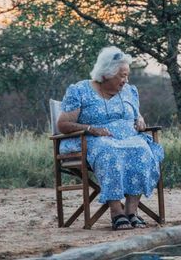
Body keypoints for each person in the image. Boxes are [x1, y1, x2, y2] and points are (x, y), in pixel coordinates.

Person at [57, 46, 164, 230]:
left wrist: (140, 119)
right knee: (109, 151)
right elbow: (63, 124)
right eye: (122, 76)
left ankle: (132, 211)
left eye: (127, 75)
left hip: (129, 139)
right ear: (106, 74)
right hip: (91, 141)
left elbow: (136, 114)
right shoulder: (80, 90)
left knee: (143, 149)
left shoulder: (130, 91)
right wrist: (91, 129)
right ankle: (116, 212)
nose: (126, 80)